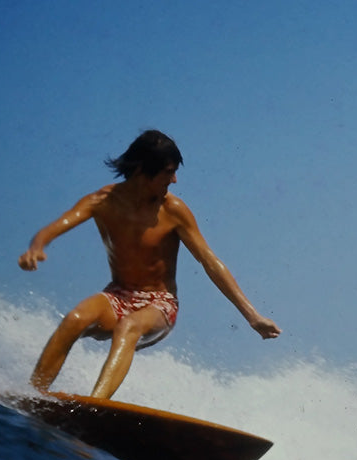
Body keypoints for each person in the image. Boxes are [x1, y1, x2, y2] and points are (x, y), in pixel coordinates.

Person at [18, 129, 280, 399]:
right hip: (117, 294)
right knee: (74, 319)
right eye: (169, 172)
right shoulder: (102, 202)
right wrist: (36, 248)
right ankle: (33, 396)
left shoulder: (173, 210)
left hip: (160, 303)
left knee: (128, 326)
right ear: (143, 169)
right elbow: (57, 226)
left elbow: (209, 261)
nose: (175, 180)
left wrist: (252, 316)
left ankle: (95, 406)